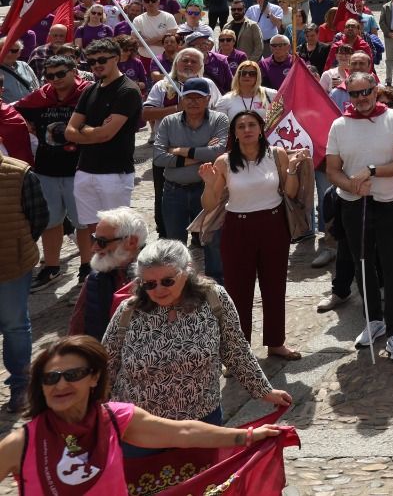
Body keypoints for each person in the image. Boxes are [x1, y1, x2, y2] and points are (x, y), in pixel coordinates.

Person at [0, 336, 288, 492]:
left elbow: (183, 432)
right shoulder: (20, 444)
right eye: (51, 378)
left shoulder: (115, 419)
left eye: (73, 374)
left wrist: (247, 436)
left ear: (94, 378)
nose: (61, 384)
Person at [104, 240, 291, 446]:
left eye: (167, 281)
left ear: (187, 271)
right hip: (141, 432)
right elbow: (106, 366)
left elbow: (235, 348)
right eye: (149, 284)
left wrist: (264, 390)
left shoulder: (213, 298)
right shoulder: (128, 312)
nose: (158, 290)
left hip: (202, 425)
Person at [199, 109, 307, 359]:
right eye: (241, 126)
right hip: (238, 228)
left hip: (273, 226)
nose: (246, 130)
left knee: (274, 286)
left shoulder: (277, 154)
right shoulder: (224, 162)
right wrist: (207, 182)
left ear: (261, 129)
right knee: (238, 291)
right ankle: (239, 351)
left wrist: (291, 170)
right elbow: (209, 204)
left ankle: (276, 342)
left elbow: (289, 193)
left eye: (251, 125)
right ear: (234, 133)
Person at [323, 72, 393, 359]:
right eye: (355, 94)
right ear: (348, 95)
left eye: (366, 92)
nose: (361, 98)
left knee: (390, 264)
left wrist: (372, 171)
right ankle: (374, 320)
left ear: (376, 90)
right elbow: (332, 169)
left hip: (390, 202)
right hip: (354, 203)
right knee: (363, 265)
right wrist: (350, 184)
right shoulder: (339, 125)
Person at [13, 55, 91, 287]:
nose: (55, 79)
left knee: (83, 222)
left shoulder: (87, 95)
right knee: (51, 221)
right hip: (46, 169)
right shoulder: (39, 98)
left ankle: (87, 266)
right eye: (49, 75)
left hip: (80, 168)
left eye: (60, 74)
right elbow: (13, 113)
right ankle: (52, 267)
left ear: (73, 71)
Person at [63, 40, 142, 258]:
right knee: (92, 228)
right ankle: (99, 271)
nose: (96, 65)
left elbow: (107, 134)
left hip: (114, 173)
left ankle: (121, 274)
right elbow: (69, 131)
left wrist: (84, 131)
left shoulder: (128, 91)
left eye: (102, 60)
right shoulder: (90, 90)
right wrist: (92, 132)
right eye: (92, 61)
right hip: (85, 169)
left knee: (118, 231)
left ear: (116, 58)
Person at [149, 79, 227, 278]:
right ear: (181, 99)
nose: (193, 102)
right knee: (175, 245)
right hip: (174, 190)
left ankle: (216, 284)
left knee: (212, 240)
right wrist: (200, 154)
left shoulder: (220, 120)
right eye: (188, 97)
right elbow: (158, 158)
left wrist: (180, 151)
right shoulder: (168, 121)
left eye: (198, 97)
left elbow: (218, 152)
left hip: (207, 188)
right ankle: (178, 283)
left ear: (208, 99)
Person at [0, 148, 44, 412]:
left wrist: (19, 246)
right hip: (15, 259)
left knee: (15, 326)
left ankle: (20, 387)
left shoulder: (20, 173)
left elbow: (38, 218)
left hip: (12, 265)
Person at [68, 207, 147, 342]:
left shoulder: (159, 280)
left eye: (102, 242)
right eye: (94, 239)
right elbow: (76, 332)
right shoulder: (95, 279)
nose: (94, 248)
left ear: (131, 242)